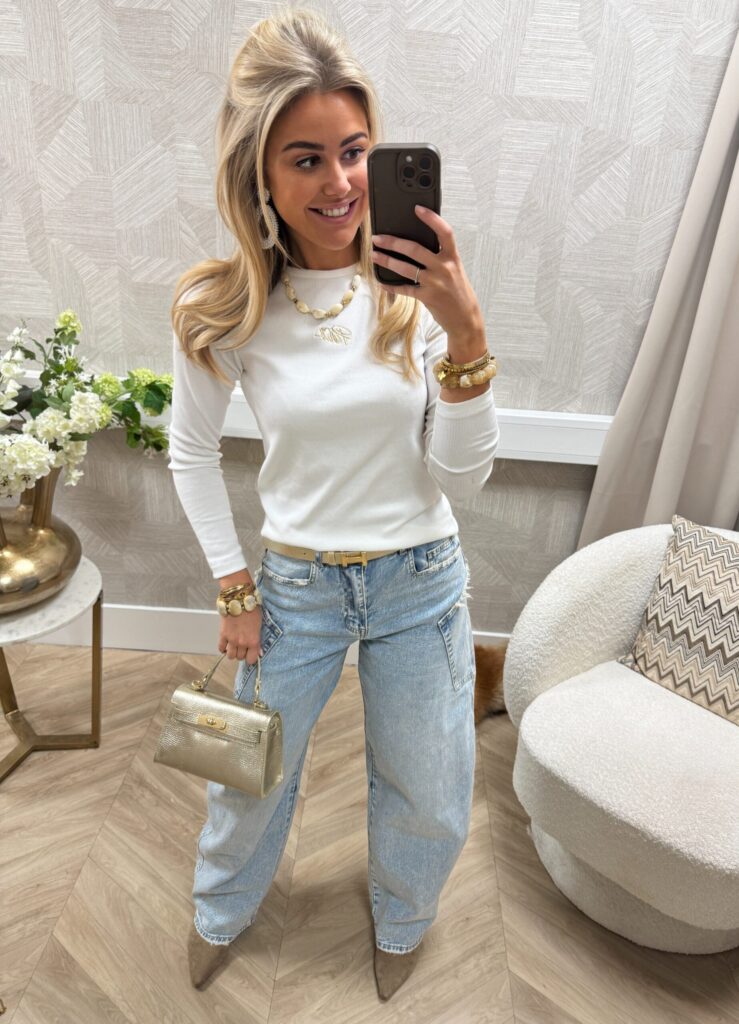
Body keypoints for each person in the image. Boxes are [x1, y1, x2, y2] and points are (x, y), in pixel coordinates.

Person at [167, 6, 500, 1002]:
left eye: (354, 151)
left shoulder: (416, 296)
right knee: (247, 777)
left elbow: (464, 479)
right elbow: (190, 450)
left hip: (421, 583)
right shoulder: (223, 308)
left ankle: (405, 916)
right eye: (305, 158)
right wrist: (234, 587)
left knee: (429, 783)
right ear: (259, 174)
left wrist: (467, 336)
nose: (341, 182)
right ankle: (220, 911)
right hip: (294, 591)